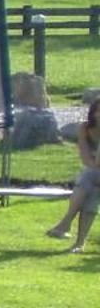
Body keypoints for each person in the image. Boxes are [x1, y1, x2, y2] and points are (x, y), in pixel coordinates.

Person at [44, 97, 98, 253]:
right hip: (94, 176)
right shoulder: (85, 128)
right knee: (92, 190)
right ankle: (79, 244)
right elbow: (86, 158)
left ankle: (66, 222)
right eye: (98, 111)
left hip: (93, 174)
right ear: (93, 113)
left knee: (88, 177)